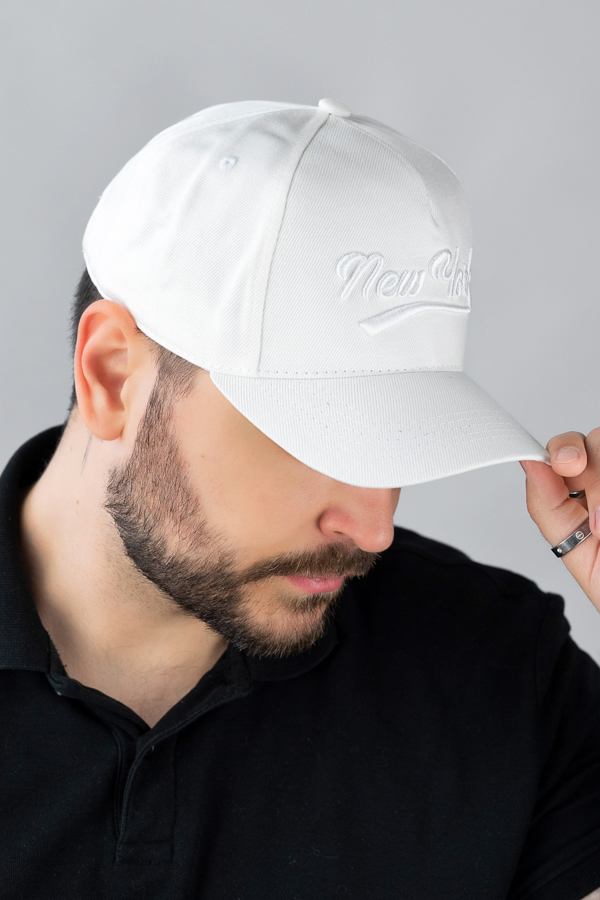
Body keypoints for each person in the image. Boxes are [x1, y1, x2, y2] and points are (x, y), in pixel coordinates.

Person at [2, 98, 600, 899]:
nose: (375, 527)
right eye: (315, 437)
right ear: (112, 375)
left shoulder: (498, 674)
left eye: (400, 441)